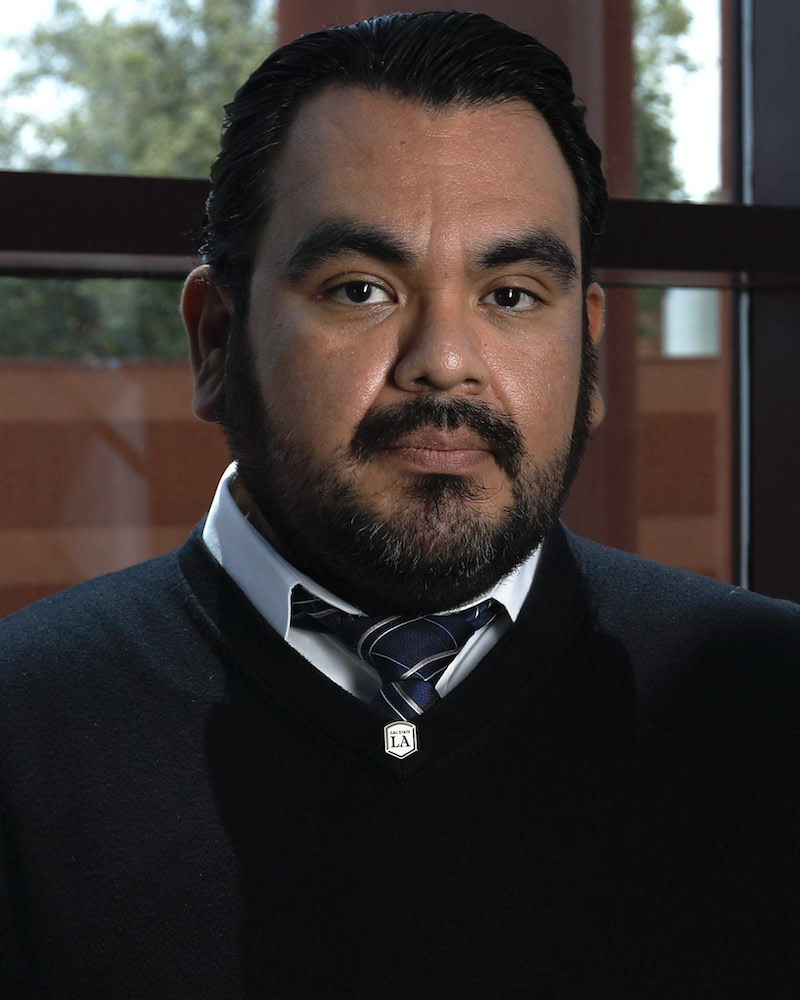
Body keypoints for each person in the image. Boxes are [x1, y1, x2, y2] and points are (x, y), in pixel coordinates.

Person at [1, 10, 798, 998]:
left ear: (589, 350)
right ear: (215, 342)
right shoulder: (19, 731)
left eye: (510, 295)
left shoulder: (771, 700)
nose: (444, 364)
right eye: (359, 289)